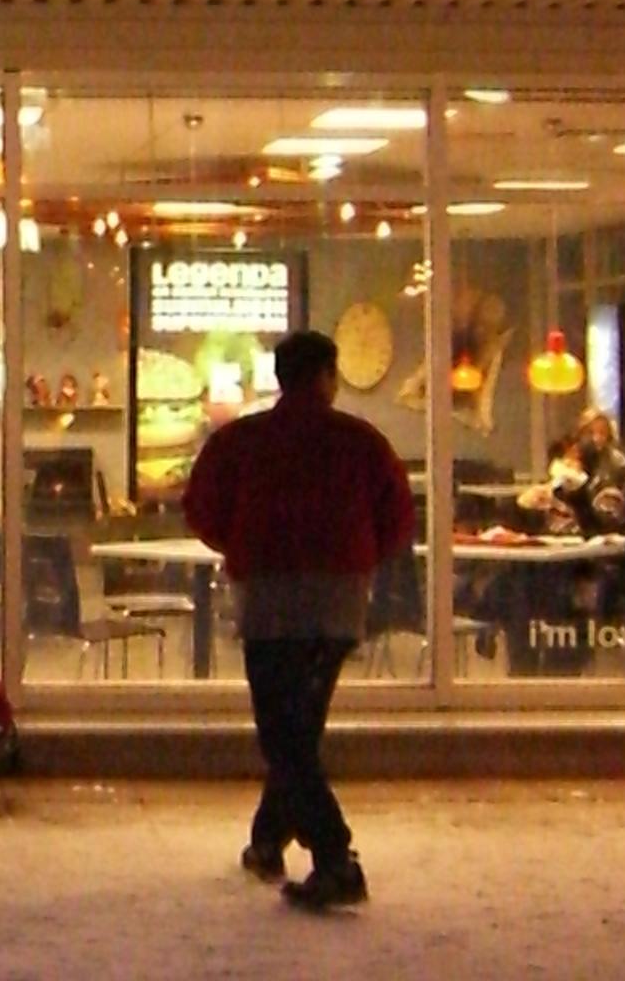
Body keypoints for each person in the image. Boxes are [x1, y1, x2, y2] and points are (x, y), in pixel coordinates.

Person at [183, 329, 414, 911]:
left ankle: (334, 856)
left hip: (266, 593)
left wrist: (240, 543)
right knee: (299, 728)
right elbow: (397, 516)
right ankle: (268, 840)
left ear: (281, 376)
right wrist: (361, 557)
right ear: (328, 376)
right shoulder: (361, 441)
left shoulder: (241, 441)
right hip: (338, 597)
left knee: (282, 731)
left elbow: (201, 507)